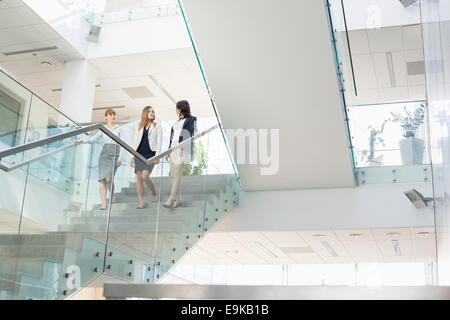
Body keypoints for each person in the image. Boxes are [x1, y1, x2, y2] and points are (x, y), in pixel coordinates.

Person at [74, 109, 123, 210]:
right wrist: (82, 140)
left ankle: (112, 195)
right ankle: (104, 203)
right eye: (110, 114)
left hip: (115, 153)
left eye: (114, 114)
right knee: (102, 180)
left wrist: (120, 159)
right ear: (106, 117)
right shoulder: (103, 129)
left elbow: (123, 145)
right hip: (104, 154)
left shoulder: (119, 129)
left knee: (109, 179)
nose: (113, 116)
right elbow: (93, 139)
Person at [164, 100, 197, 208]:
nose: (175, 110)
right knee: (173, 176)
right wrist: (168, 151)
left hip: (182, 149)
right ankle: (177, 200)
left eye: (177, 108)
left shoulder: (192, 119)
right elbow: (172, 137)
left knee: (177, 175)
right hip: (173, 149)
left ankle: (171, 198)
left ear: (182, 108)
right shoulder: (176, 122)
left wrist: (196, 133)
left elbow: (194, 130)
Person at [130, 106, 162, 209]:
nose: (152, 113)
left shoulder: (157, 126)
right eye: (149, 112)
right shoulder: (139, 126)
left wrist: (158, 156)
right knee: (139, 179)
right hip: (139, 154)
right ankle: (141, 202)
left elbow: (159, 142)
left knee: (145, 176)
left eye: (153, 111)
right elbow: (135, 142)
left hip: (150, 155)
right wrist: (132, 156)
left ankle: (154, 193)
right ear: (145, 113)